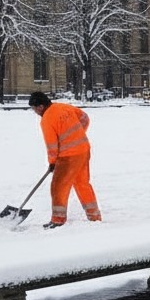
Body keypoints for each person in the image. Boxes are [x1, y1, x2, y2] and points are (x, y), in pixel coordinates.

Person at [28, 91, 102, 228]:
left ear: (40, 106)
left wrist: (52, 163)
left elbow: (52, 146)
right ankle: (94, 215)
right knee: (82, 183)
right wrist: (77, 135)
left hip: (68, 157)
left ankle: (57, 219)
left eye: (34, 109)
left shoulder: (47, 120)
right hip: (84, 149)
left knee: (58, 187)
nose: (35, 112)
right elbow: (84, 118)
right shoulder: (64, 107)